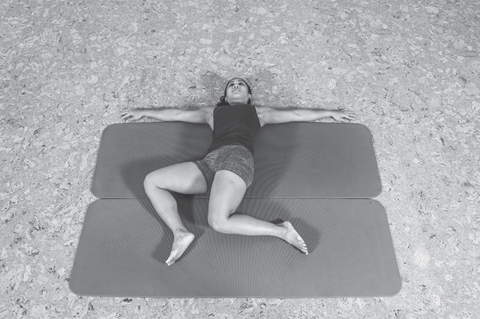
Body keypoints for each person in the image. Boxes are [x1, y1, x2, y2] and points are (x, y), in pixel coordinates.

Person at [120, 78, 354, 266]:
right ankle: (179, 232)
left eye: (240, 84)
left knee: (219, 222)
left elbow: (296, 114)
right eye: (231, 84)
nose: (235, 86)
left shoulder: (259, 113)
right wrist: (144, 112)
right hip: (210, 163)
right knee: (152, 181)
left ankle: (281, 230)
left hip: (237, 158)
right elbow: (177, 114)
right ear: (225, 96)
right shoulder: (211, 112)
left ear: (249, 96)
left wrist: (329, 113)